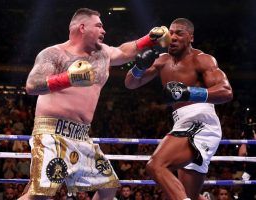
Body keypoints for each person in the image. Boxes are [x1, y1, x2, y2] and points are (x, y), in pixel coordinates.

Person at [21, 7, 170, 200]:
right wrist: (68, 79)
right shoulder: (54, 54)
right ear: (82, 27)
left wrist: (149, 39)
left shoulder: (103, 54)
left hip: (82, 135)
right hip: (52, 133)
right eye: (99, 26)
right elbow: (32, 85)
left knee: (108, 186)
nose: (104, 30)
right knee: (40, 195)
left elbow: (125, 51)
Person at [125, 18, 233, 200]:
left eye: (179, 33)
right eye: (171, 33)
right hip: (183, 122)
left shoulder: (202, 59)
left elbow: (226, 91)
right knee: (183, 194)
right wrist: (139, 66)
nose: (173, 37)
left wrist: (188, 93)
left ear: (190, 37)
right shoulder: (162, 61)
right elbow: (130, 83)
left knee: (156, 165)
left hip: (201, 121)